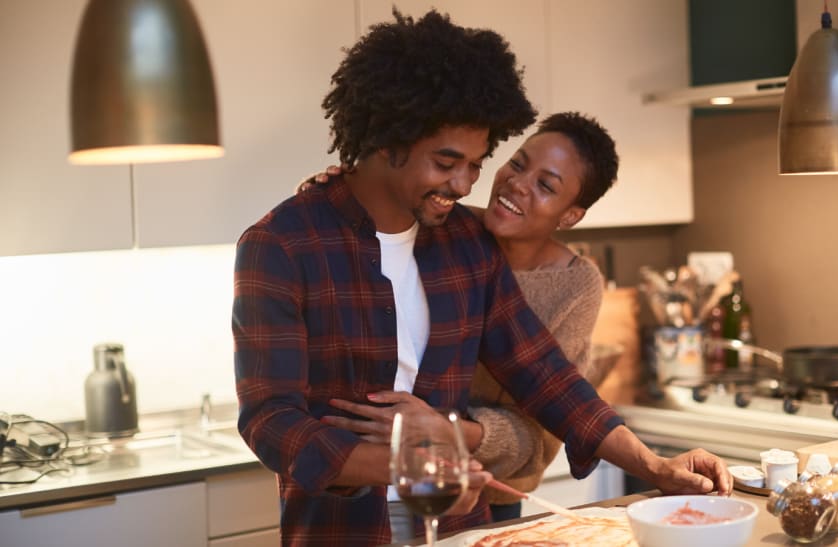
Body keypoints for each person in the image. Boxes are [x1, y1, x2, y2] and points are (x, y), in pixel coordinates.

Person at [233, 9, 731, 547]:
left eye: (476, 163)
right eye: (448, 162)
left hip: (458, 527)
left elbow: (545, 375)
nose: (466, 183)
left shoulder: (464, 241)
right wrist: (402, 466)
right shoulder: (281, 245)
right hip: (341, 530)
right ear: (388, 138)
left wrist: (655, 467)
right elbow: (271, 422)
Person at [315, 111, 619, 522]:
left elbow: (546, 418)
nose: (518, 183)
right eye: (518, 163)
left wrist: (450, 429)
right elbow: (371, 210)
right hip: (393, 478)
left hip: (491, 492)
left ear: (570, 216)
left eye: (546, 186)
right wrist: (344, 192)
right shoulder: (443, 224)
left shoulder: (575, 287)